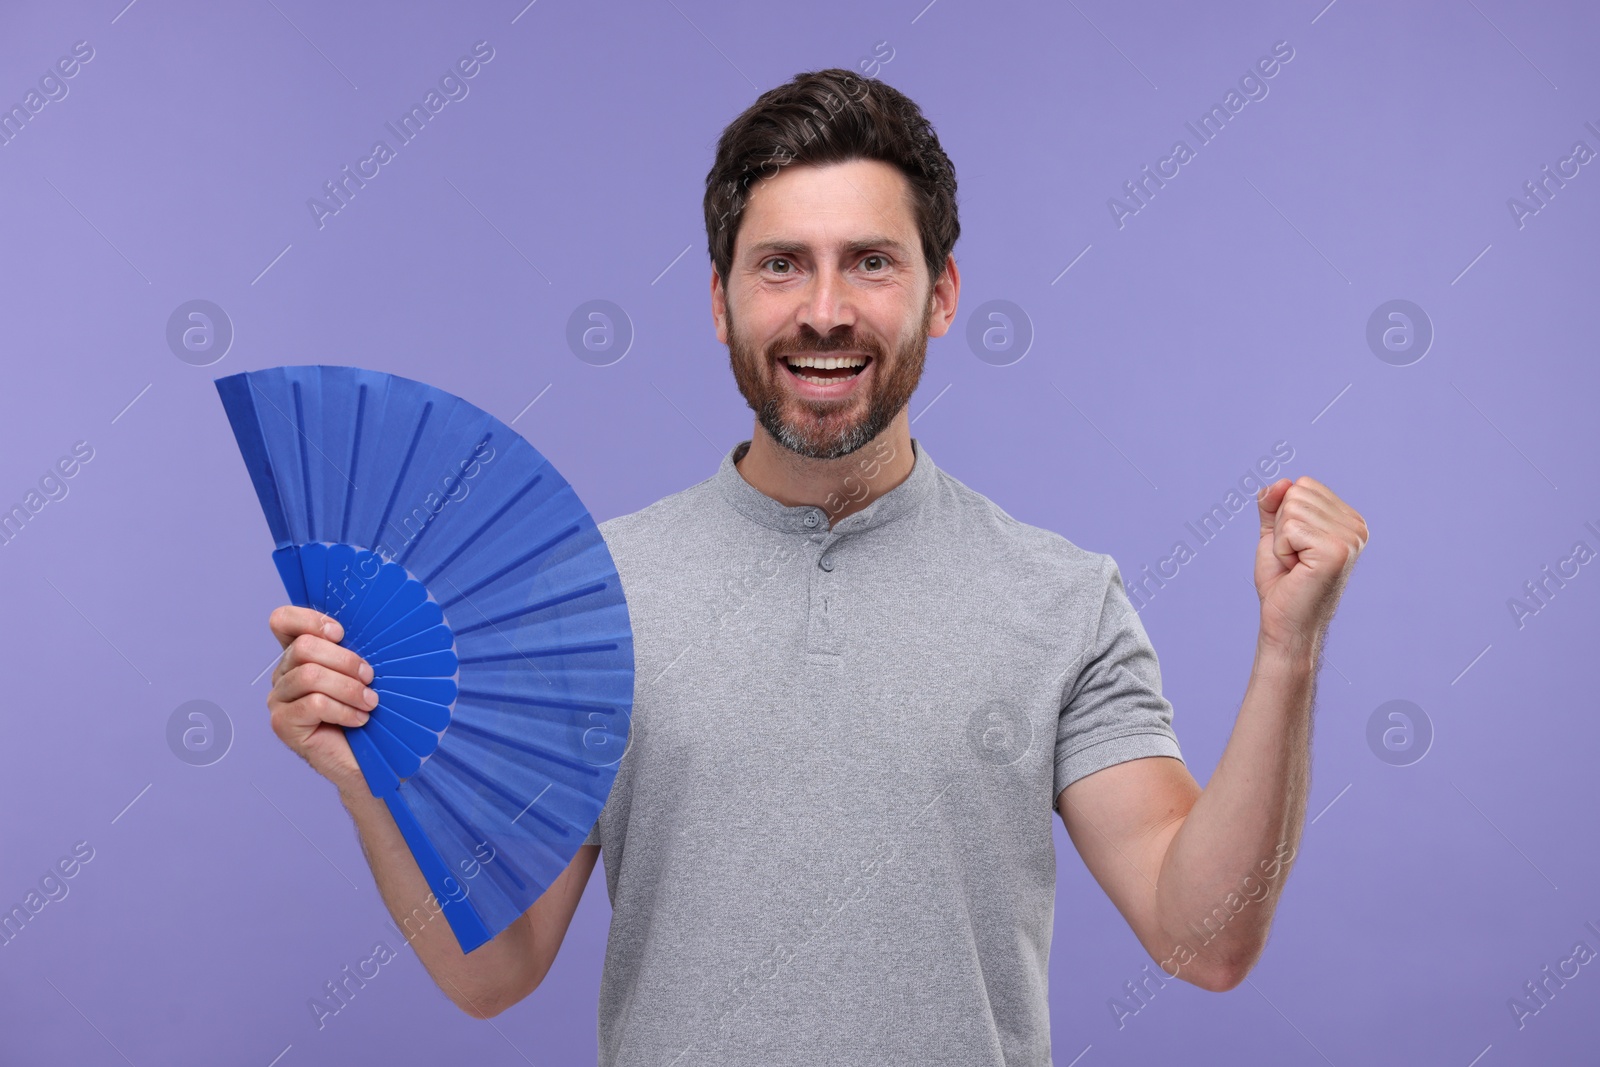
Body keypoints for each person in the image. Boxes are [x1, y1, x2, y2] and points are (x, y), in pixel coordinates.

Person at [264, 68, 1368, 1064]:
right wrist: (373, 789)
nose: (826, 309)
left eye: (871, 263)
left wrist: (1289, 650)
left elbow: (1205, 939)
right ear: (720, 301)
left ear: (939, 295)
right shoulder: (591, 592)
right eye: (781, 264)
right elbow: (490, 968)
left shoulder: (1062, 599)